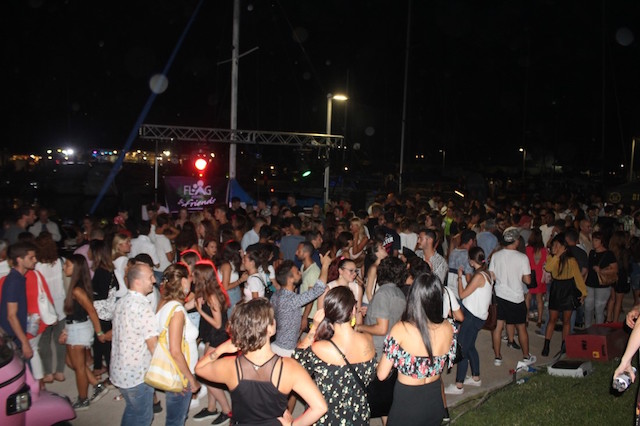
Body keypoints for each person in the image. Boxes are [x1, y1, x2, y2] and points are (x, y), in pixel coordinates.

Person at [195, 298, 327, 426]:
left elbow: (199, 369)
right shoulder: (289, 367)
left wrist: (221, 349)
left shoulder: (231, 366)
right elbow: (320, 407)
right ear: (270, 329)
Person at [376, 272, 457, 426]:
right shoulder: (449, 327)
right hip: (435, 403)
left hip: (407, 406)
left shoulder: (402, 329)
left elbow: (381, 374)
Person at [294, 286, 377, 425]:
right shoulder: (368, 340)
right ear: (353, 310)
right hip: (358, 415)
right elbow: (371, 376)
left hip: (328, 417)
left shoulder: (319, 348)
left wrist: (314, 327)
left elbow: (295, 365)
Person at [110, 263, 159, 426]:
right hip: (137, 375)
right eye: (150, 277)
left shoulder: (121, 302)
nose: (154, 280)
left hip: (119, 371)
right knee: (144, 417)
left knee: (132, 410)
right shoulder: (142, 308)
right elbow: (153, 346)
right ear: (138, 281)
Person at [58, 254, 108, 411]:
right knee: (71, 362)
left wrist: (99, 332)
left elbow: (92, 311)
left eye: (67, 265)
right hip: (74, 327)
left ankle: (82, 399)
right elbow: (74, 312)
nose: (64, 267)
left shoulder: (77, 289)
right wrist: (66, 330)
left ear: (76, 269)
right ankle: (97, 385)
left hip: (79, 329)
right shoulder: (75, 287)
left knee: (79, 367)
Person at [156, 263, 201, 426]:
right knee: (176, 420)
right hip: (180, 374)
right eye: (189, 277)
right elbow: (175, 351)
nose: (191, 280)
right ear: (183, 281)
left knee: (175, 417)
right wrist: (191, 379)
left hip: (173, 369)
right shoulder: (177, 311)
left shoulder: (165, 303)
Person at [445, 247, 493, 395]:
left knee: (462, 349)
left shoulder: (479, 276)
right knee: (470, 346)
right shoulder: (487, 273)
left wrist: (459, 277)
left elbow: (462, 294)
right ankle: (476, 377)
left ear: (472, 262)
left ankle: (459, 385)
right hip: (477, 316)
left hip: (472, 317)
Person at [192, 261, 233, 424]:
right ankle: (211, 408)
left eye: (194, 274)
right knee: (209, 373)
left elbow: (217, 324)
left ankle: (227, 411)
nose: (192, 277)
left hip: (218, 337)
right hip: (213, 337)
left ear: (201, 277)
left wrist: (200, 311)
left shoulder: (212, 296)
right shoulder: (209, 292)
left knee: (205, 373)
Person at [489, 227, 536, 366]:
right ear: (516, 241)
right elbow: (527, 280)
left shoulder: (496, 256)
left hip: (499, 296)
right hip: (516, 297)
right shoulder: (522, 258)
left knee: (498, 327)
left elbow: (492, 276)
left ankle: (497, 357)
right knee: (521, 327)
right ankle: (526, 356)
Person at [270, 255, 329, 357]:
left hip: (278, 345)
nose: (300, 273)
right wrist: (325, 266)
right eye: (297, 272)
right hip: (285, 350)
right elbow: (318, 289)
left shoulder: (276, 295)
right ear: (290, 279)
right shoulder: (290, 300)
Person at [542, 233, 587, 356]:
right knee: (552, 319)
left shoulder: (571, 261)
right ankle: (546, 344)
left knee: (567, 320)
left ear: (564, 247)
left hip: (568, 289)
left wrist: (583, 292)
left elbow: (578, 277)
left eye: (557, 246)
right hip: (556, 287)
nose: (554, 248)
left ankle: (564, 345)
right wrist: (557, 255)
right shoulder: (552, 258)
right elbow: (548, 268)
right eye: (553, 245)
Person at [34, 233, 67, 383]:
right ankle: (60, 371)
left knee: (44, 341)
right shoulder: (61, 262)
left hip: (44, 308)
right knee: (60, 340)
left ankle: (47, 372)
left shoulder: (35, 267)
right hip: (61, 305)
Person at [0, 241, 38, 358]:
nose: (35, 260)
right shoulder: (14, 281)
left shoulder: (19, 278)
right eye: (31, 258)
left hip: (15, 335)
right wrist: (24, 342)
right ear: (19, 259)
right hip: (13, 337)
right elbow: (11, 316)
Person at [89, 239, 116, 377]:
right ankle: (98, 366)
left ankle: (112, 374)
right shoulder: (109, 269)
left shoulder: (101, 271)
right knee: (99, 341)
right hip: (107, 310)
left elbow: (102, 294)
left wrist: (88, 294)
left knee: (104, 343)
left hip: (102, 312)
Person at [584, 231, 617, 327]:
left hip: (602, 285)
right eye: (593, 240)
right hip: (590, 283)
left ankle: (598, 329)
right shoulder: (591, 253)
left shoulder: (609, 254)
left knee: (599, 309)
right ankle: (588, 328)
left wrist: (601, 270)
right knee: (588, 307)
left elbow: (615, 269)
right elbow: (588, 269)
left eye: (596, 240)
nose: (594, 242)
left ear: (602, 242)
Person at [318, 258, 364, 325]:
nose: (354, 274)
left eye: (355, 271)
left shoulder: (357, 288)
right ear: (340, 271)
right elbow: (320, 313)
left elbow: (358, 313)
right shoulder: (329, 288)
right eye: (351, 271)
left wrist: (358, 327)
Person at [217, 240, 247, 317]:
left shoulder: (233, 262)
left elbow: (245, 267)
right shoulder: (226, 266)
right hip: (229, 294)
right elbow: (225, 287)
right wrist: (240, 280)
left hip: (235, 291)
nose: (242, 251)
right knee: (232, 316)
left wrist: (243, 257)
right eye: (240, 250)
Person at [525, 229, 548, 328]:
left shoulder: (528, 249)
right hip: (540, 276)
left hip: (530, 274)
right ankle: (539, 319)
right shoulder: (544, 250)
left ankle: (526, 318)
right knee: (539, 299)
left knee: (528, 297)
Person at [112, 233, 132, 298]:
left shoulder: (114, 258)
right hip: (124, 291)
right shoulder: (123, 259)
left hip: (117, 291)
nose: (130, 244)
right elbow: (125, 277)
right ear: (119, 245)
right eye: (127, 243)